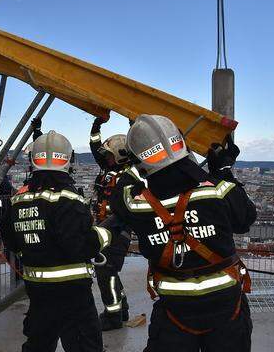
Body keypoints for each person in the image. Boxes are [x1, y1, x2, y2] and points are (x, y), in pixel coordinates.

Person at [109, 115, 256, 352]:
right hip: (227, 307)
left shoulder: (136, 204)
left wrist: (136, 164)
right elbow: (245, 218)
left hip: (174, 311)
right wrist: (223, 169)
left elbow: (120, 193)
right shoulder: (218, 190)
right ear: (181, 144)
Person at [1, 130, 111, 352]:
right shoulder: (69, 199)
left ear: (34, 160)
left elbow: (10, 239)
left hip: (37, 288)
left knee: (39, 341)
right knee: (83, 343)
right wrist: (104, 235)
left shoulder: (19, 200)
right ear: (68, 160)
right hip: (73, 290)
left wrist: (33, 253)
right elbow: (78, 247)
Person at [89, 116, 133, 330]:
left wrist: (134, 128)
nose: (105, 158)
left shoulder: (131, 175)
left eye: (109, 155)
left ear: (120, 156)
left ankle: (113, 315)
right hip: (105, 229)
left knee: (105, 270)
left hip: (117, 231)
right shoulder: (109, 171)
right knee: (110, 271)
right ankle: (121, 308)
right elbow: (96, 148)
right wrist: (96, 127)